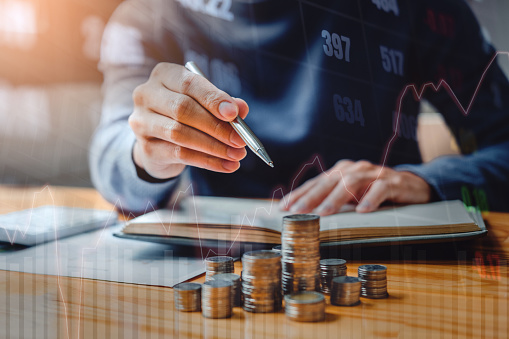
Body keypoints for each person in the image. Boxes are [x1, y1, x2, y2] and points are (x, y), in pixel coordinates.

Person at [90, 0, 509, 215]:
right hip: (213, 267)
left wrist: (427, 182)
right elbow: (111, 153)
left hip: (384, 262)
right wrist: (147, 154)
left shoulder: (421, 9)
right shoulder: (153, 13)